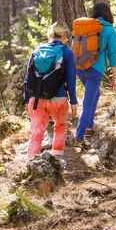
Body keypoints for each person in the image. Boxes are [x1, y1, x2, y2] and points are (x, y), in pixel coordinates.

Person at [25, 22, 77, 163]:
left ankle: (32, 163)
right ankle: (55, 160)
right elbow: (71, 80)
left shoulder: (37, 50)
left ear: (50, 34)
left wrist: (27, 99)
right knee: (60, 126)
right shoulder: (67, 53)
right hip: (58, 99)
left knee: (37, 132)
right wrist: (73, 102)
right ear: (65, 35)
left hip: (36, 99)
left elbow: (27, 77)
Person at [74, 2, 116, 149]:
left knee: (95, 94)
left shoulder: (86, 25)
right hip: (95, 70)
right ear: (107, 13)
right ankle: (79, 136)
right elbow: (111, 54)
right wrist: (114, 78)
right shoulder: (110, 30)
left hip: (79, 67)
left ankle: (89, 127)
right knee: (88, 101)